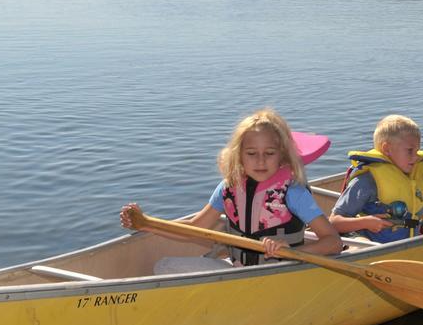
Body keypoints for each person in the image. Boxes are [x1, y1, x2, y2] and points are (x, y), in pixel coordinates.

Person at [120, 108, 343, 267]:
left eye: (270, 153)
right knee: (165, 266)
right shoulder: (229, 187)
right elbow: (195, 227)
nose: (261, 162)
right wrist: (147, 224)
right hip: (238, 270)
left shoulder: (293, 192)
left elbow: (333, 242)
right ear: (239, 156)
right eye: (252, 154)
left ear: (282, 156)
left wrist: (292, 252)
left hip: (282, 271)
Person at [330, 114, 423, 242]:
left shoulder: (411, 174)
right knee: (360, 243)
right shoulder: (366, 180)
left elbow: (411, 199)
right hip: (371, 247)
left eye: (417, 151)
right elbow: (334, 222)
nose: (415, 157)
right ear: (387, 149)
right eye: (409, 151)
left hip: (407, 244)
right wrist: (365, 222)